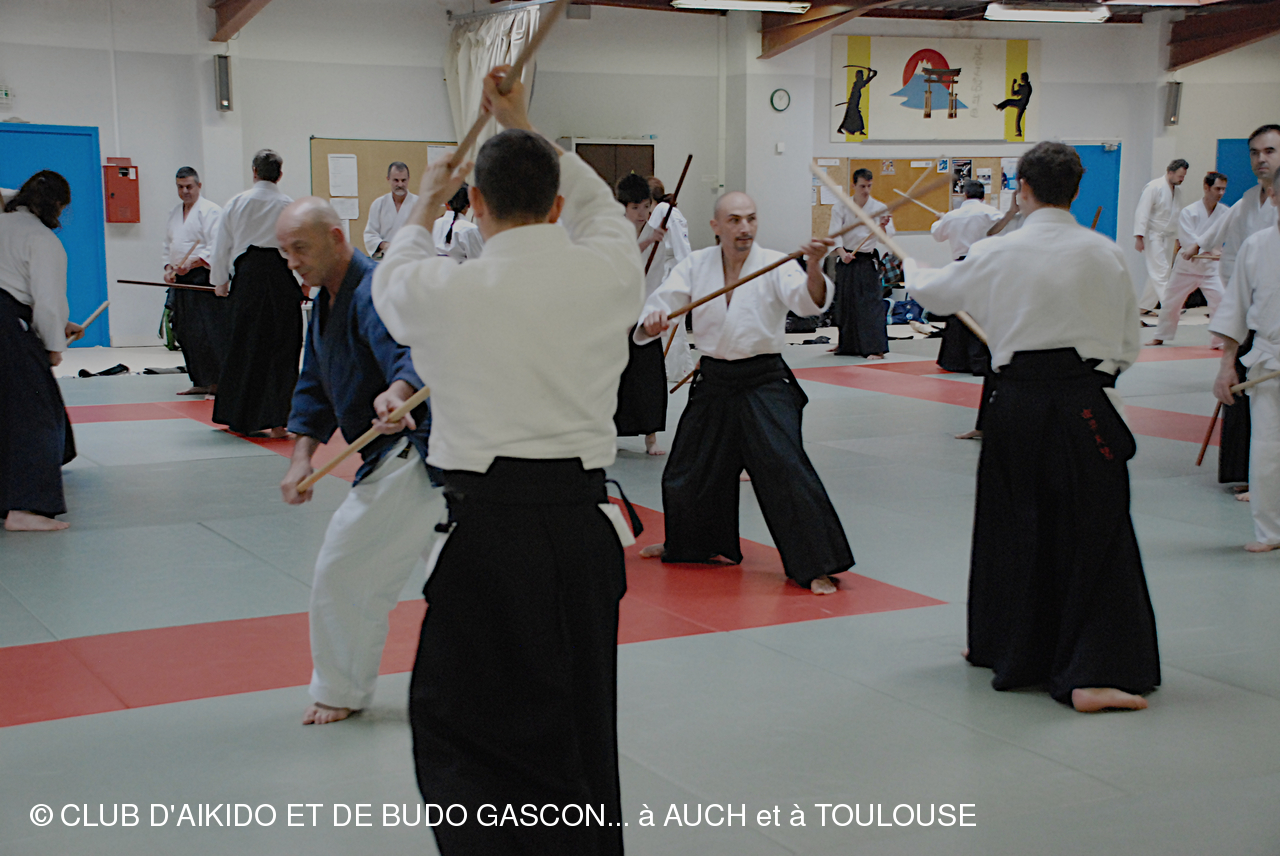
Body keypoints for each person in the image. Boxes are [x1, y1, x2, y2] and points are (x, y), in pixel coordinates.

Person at [372, 67, 642, 854]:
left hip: (489, 538)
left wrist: (426, 200)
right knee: (580, 727)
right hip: (584, 534)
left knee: (462, 728)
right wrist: (526, 124)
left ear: (476, 204)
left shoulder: (445, 291)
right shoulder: (610, 272)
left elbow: (392, 278)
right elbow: (598, 208)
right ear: (554, 205)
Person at [906, 141, 1160, 713]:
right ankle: (1092, 670)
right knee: (1095, 528)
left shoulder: (999, 250)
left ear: (1021, 189)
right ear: (1077, 189)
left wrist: (911, 269)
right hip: (1085, 402)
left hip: (1017, 404)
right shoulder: (1107, 254)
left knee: (1013, 524)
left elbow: (934, 295)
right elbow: (1128, 342)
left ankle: (1009, 648)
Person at [633, 191, 854, 596]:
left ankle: (816, 564)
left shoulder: (774, 263)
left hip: (763, 380)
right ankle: (691, 544)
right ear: (716, 226)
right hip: (715, 379)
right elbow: (662, 303)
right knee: (688, 468)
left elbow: (809, 304)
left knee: (785, 468)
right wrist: (654, 320)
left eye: (751, 219)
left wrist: (813, 265)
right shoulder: (696, 265)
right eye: (734, 220)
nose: (745, 228)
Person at [275, 197, 440, 726]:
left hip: (412, 453)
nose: (293, 262)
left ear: (335, 237)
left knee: (345, 569)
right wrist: (301, 460)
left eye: (300, 248)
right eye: (284, 252)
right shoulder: (324, 302)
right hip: (408, 456)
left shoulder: (373, 289)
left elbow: (411, 354)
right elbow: (313, 387)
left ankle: (340, 689)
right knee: (459, 576)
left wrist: (398, 393)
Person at [1182, 125, 1280, 491]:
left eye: (1269, 151)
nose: (1260, 159)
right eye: (1255, 152)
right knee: (1239, 391)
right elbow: (1231, 249)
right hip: (1251, 312)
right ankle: (1245, 473)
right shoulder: (1247, 201)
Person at [0, 171, 82, 532]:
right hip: (7, 327)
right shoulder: (42, 239)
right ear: (57, 207)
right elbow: (48, 303)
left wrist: (57, 327)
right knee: (36, 414)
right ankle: (24, 508)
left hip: (9, 317)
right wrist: (53, 348)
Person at [1209, 178, 1280, 551]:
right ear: (1274, 197)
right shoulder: (1257, 246)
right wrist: (1226, 365)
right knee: (1266, 448)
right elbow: (1234, 307)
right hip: (1268, 358)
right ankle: (1271, 532)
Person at [209, 149, 299, 438]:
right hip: (281, 280)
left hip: (248, 279)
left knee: (245, 347)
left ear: (254, 172)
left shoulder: (237, 203)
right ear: (280, 175)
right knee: (282, 349)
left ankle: (241, 418)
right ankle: (279, 422)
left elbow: (221, 246)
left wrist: (220, 281)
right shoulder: (289, 206)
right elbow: (298, 247)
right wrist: (304, 282)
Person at [613, 172, 668, 455]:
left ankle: (651, 437)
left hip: (645, 313)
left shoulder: (656, 234)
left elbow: (656, 278)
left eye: (646, 206)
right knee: (615, 378)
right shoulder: (612, 232)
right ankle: (608, 432)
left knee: (648, 377)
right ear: (623, 207)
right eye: (635, 207)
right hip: (615, 313)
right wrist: (645, 244)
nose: (642, 213)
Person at [162, 166, 226, 396]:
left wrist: (194, 263)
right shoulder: (174, 213)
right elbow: (168, 245)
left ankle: (217, 382)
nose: (185, 191)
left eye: (189, 186)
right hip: (180, 278)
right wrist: (168, 268)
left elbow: (216, 246)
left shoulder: (211, 211)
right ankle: (199, 380)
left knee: (207, 331)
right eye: (180, 187)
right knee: (184, 330)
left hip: (203, 277)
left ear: (199, 185)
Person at [1149, 172, 1229, 346]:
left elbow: (1225, 236)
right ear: (1206, 187)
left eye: (1223, 189)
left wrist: (1217, 251)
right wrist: (1207, 248)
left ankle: (1218, 340)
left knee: (1221, 300)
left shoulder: (1225, 212)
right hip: (1187, 267)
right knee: (1171, 301)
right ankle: (1161, 335)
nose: (1221, 193)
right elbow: (1188, 242)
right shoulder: (1189, 212)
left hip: (1211, 267)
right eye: (1217, 188)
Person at [931, 179, 1001, 376]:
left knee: (960, 313)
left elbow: (937, 234)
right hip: (983, 265)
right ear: (983, 196)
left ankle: (955, 361)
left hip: (961, 266)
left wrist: (941, 219)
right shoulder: (991, 213)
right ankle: (982, 362)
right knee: (982, 313)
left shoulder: (953, 216)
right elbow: (1006, 228)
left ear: (964, 195)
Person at [828, 168, 894, 359]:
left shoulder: (879, 208)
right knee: (845, 303)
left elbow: (885, 239)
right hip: (846, 258)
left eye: (869, 186)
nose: (866, 190)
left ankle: (876, 348)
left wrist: (882, 226)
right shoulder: (841, 207)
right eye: (862, 186)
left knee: (869, 305)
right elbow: (834, 234)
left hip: (866, 260)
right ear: (853, 185)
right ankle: (846, 344)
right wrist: (842, 254)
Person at [643, 176, 694, 381]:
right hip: (672, 269)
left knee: (669, 323)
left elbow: (654, 243)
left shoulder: (662, 211)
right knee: (672, 324)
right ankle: (679, 369)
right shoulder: (671, 211)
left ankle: (675, 370)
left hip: (670, 272)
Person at [1134, 159, 1189, 314]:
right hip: (1154, 235)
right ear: (1170, 172)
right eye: (1180, 176)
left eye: (1183, 176)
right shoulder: (1154, 187)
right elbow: (1142, 212)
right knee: (1161, 270)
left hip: (1169, 235)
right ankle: (1171, 306)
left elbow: (1177, 216)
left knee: (1160, 271)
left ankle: (1145, 306)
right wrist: (1139, 236)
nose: (1182, 179)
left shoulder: (1177, 191)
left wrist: (1179, 238)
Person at [363, 162, 418, 259]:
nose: (400, 184)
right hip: (387, 258)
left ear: (408, 179)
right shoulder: (379, 204)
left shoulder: (419, 204)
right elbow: (370, 234)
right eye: (396, 180)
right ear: (388, 179)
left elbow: (427, 233)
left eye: (403, 180)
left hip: (413, 257)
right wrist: (384, 245)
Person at [431, 184, 484, 262]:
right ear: (469, 205)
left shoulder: (433, 225)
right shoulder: (469, 229)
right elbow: (479, 261)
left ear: (446, 203)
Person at [837, 66, 877, 137]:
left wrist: (871, 74)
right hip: (853, 102)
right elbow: (866, 81)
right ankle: (842, 129)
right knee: (852, 116)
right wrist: (870, 74)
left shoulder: (857, 83)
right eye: (861, 75)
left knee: (850, 116)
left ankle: (843, 129)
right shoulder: (857, 83)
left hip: (854, 101)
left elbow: (865, 82)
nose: (861, 77)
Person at [993, 72, 1033, 138]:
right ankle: (1019, 132)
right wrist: (1018, 86)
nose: (1021, 79)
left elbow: (1013, 93)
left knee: (1009, 101)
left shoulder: (1026, 87)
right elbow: (1015, 93)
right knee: (1018, 119)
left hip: (1021, 103)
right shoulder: (1027, 86)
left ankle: (1000, 107)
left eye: (1022, 78)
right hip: (1023, 104)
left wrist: (1014, 84)